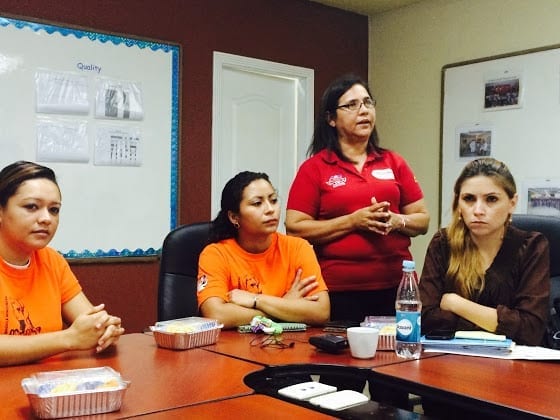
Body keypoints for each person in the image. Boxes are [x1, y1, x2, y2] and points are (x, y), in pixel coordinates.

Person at [285, 73, 429, 322]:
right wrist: (353, 221)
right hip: (339, 290)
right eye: (351, 105)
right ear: (331, 119)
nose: (363, 111)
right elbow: (295, 228)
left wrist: (397, 221)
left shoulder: (394, 162)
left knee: (396, 357)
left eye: (367, 103)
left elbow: (423, 220)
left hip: (396, 285)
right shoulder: (315, 168)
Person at [0, 161, 124, 367]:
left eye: (54, 210)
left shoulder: (51, 260)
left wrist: (104, 328)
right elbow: (75, 337)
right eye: (32, 207)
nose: (46, 219)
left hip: (50, 384)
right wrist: (68, 339)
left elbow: (89, 323)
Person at [419, 158, 549, 346]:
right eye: (469, 199)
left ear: (512, 203)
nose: (478, 210)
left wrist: (456, 303)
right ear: (458, 203)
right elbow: (424, 318)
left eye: (491, 199)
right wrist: (493, 320)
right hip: (452, 361)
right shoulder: (443, 243)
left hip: (516, 365)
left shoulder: (531, 246)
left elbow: (530, 330)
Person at [197, 171, 330, 329]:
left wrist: (256, 300)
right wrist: (286, 306)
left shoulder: (298, 248)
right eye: (257, 203)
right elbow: (216, 315)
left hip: (289, 348)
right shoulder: (215, 254)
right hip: (233, 349)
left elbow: (321, 312)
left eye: (273, 201)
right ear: (234, 217)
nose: (270, 209)